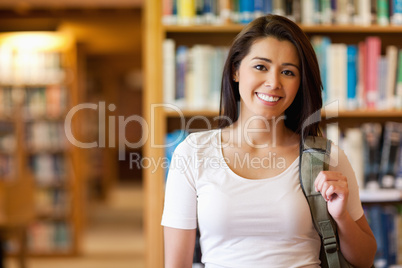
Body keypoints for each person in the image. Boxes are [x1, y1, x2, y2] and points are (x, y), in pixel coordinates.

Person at [161, 14, 377, 268]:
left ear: (300, 83)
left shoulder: (325, 158)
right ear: (235, 70)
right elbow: (177, 264)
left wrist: (341, 217)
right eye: (261, 67)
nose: (274, 83)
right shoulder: (192, 153)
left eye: (288, 72)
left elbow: (365, 259)